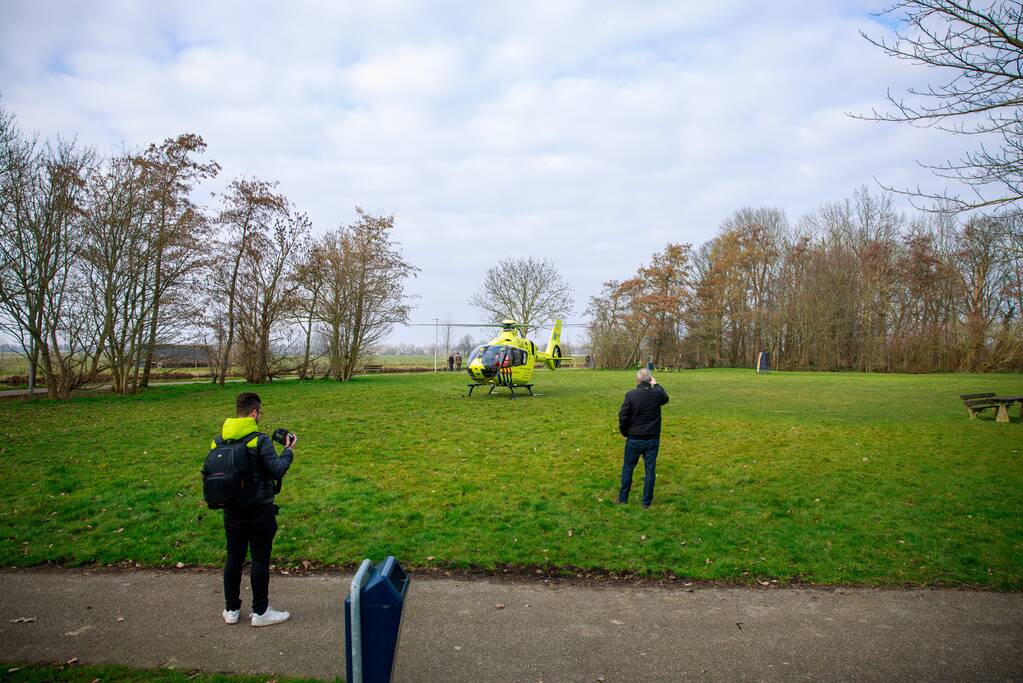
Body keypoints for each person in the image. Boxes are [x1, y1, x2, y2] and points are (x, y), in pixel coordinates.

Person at [215, 392, 295, 627]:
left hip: (231, 509)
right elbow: (276, 470)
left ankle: (231, 609)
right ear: (253, 413)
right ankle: (261, 612)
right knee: (259, 558)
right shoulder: (260, 440)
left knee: (234, 557)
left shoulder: (219, 440)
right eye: (259, 412)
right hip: (259, 509)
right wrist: (289, 450)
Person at [616, 368, 668, 508]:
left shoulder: (631, 395)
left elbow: (623, 416)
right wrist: (656, 384)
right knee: (650, 470)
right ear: (650, 380)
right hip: (652, 438)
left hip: (634, 438)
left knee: (628, 468)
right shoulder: (657, 394)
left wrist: (625, 432)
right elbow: (665, 398)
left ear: (637, 380)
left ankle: (623, 498)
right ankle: (646, 502)